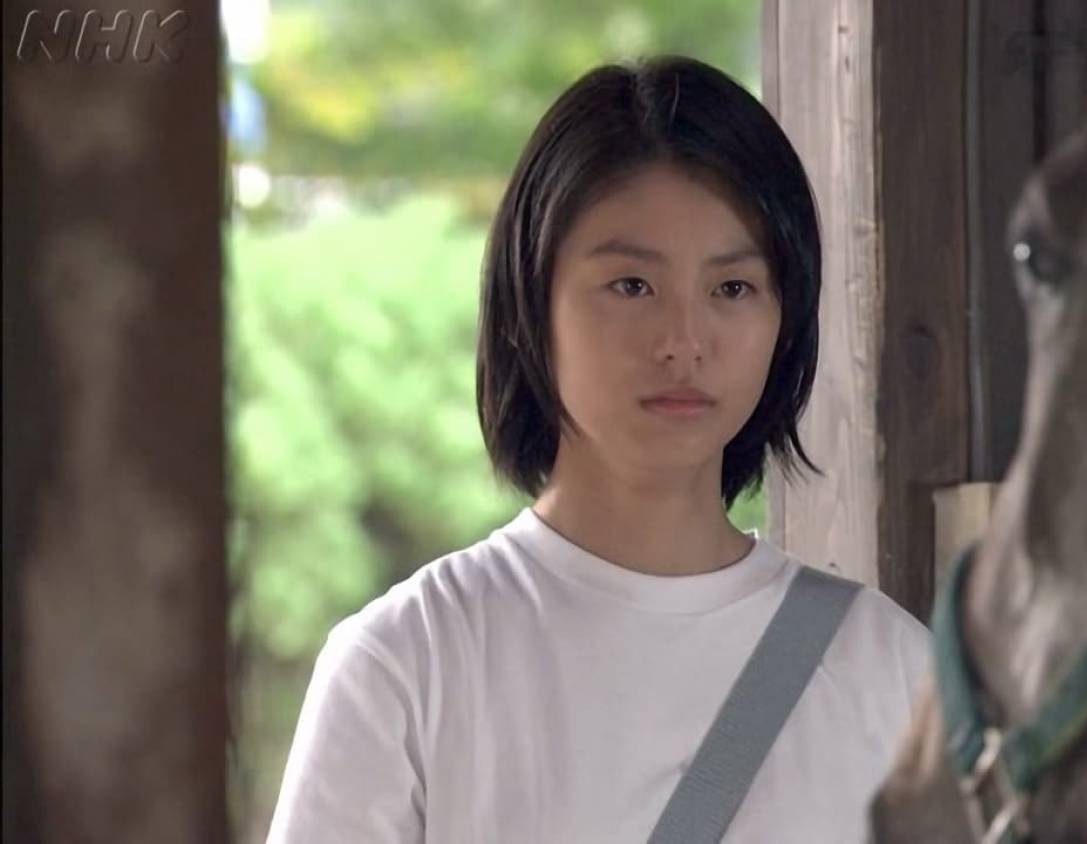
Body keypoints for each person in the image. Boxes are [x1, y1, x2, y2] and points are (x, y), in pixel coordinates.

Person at [266, 55, 932, 843]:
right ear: (530, 302)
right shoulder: (407, 665)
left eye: (732, 289)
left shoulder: (890, 670)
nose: (684, 341)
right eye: (632, 286)